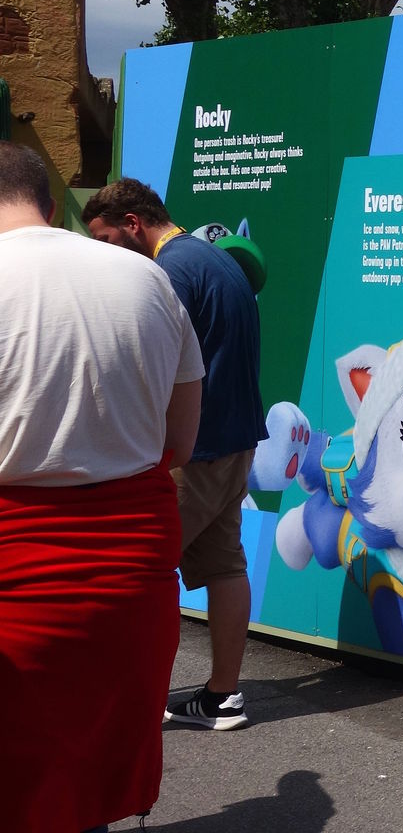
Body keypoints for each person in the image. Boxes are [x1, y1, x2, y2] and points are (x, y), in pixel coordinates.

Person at [0, 141, 203, 831]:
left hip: (14, 574)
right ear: (50, 205)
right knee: (90, 773)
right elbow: (181, 442)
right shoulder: (147, 280)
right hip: (130, 574)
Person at [85, 178, 268, 731]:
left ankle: (128, 702)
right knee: (225, 565)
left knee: (139, 569)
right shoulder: (214, 258)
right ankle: (222, 698)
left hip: (196, 448)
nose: (104, 252)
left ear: (133, 223)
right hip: (235, 441)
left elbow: (157, 365)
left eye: (106, 239)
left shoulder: (170, 272)